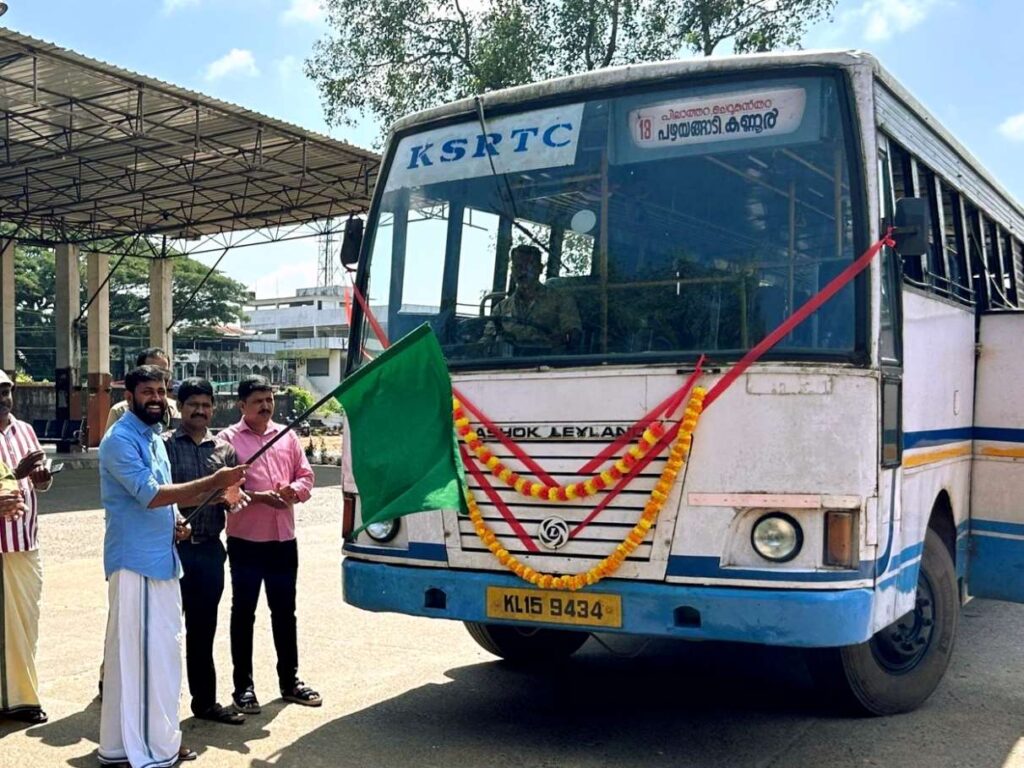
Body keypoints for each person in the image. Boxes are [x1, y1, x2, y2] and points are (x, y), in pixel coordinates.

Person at [98, 366, 247, 768]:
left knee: (157, 657)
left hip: (163, 560)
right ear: (128, 395)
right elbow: (148, 495)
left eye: (161, 391)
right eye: (147, 391)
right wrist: (211, 482)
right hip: (137, 564)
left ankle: (137, 743)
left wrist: (176, 524)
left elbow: (160, 504)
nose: (155, 398)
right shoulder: (119, 440)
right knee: (146, 661)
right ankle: (150, 750)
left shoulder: (152, 440)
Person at [219, 375, 320, 714]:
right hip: (246, 540)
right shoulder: (228, 440)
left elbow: (306, 475)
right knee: (244, 613)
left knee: (284, 612)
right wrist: (259, 497)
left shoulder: (287, 436)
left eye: (269, 399)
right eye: (258, 400)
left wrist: (295, 491)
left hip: (283, 540)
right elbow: (224, 490)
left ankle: (290, 681)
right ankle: (243, 688)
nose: (266, 405)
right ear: (241, 405)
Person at [163, 378, 248, 726]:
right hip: (172, 552)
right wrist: (204, 497)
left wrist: (232, 500)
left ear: (214, 407)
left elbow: (233, 499)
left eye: (206, 404)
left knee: (203, 631)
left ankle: (206, 702)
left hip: (210, 553)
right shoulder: (164, 446)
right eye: (192, 404)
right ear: (179, 408)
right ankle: (162, 711)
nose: (200, 410)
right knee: (167, 634)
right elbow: (162, 495)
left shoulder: (225, 451)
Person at [0, 368, 53, 724]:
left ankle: (22, 699)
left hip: (24, 542)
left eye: (7, 391)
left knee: (26, 625)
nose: (4, 399)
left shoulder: (26, 430)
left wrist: (42, 479)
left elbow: (39, 485)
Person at [486, 244, 582, 351]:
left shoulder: (562, 301)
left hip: (549, 363)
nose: (523, 272)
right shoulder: (501, 308)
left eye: (529, 267)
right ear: (512, 270)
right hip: (509, 363)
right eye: (518, 267)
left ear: (540, 269)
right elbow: (487, 340)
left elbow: (573, 337)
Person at [104, 347, 180, 434]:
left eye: (164, 372)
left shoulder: (177, 410)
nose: (159, 377)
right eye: (153, 371)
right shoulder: (120, 411)